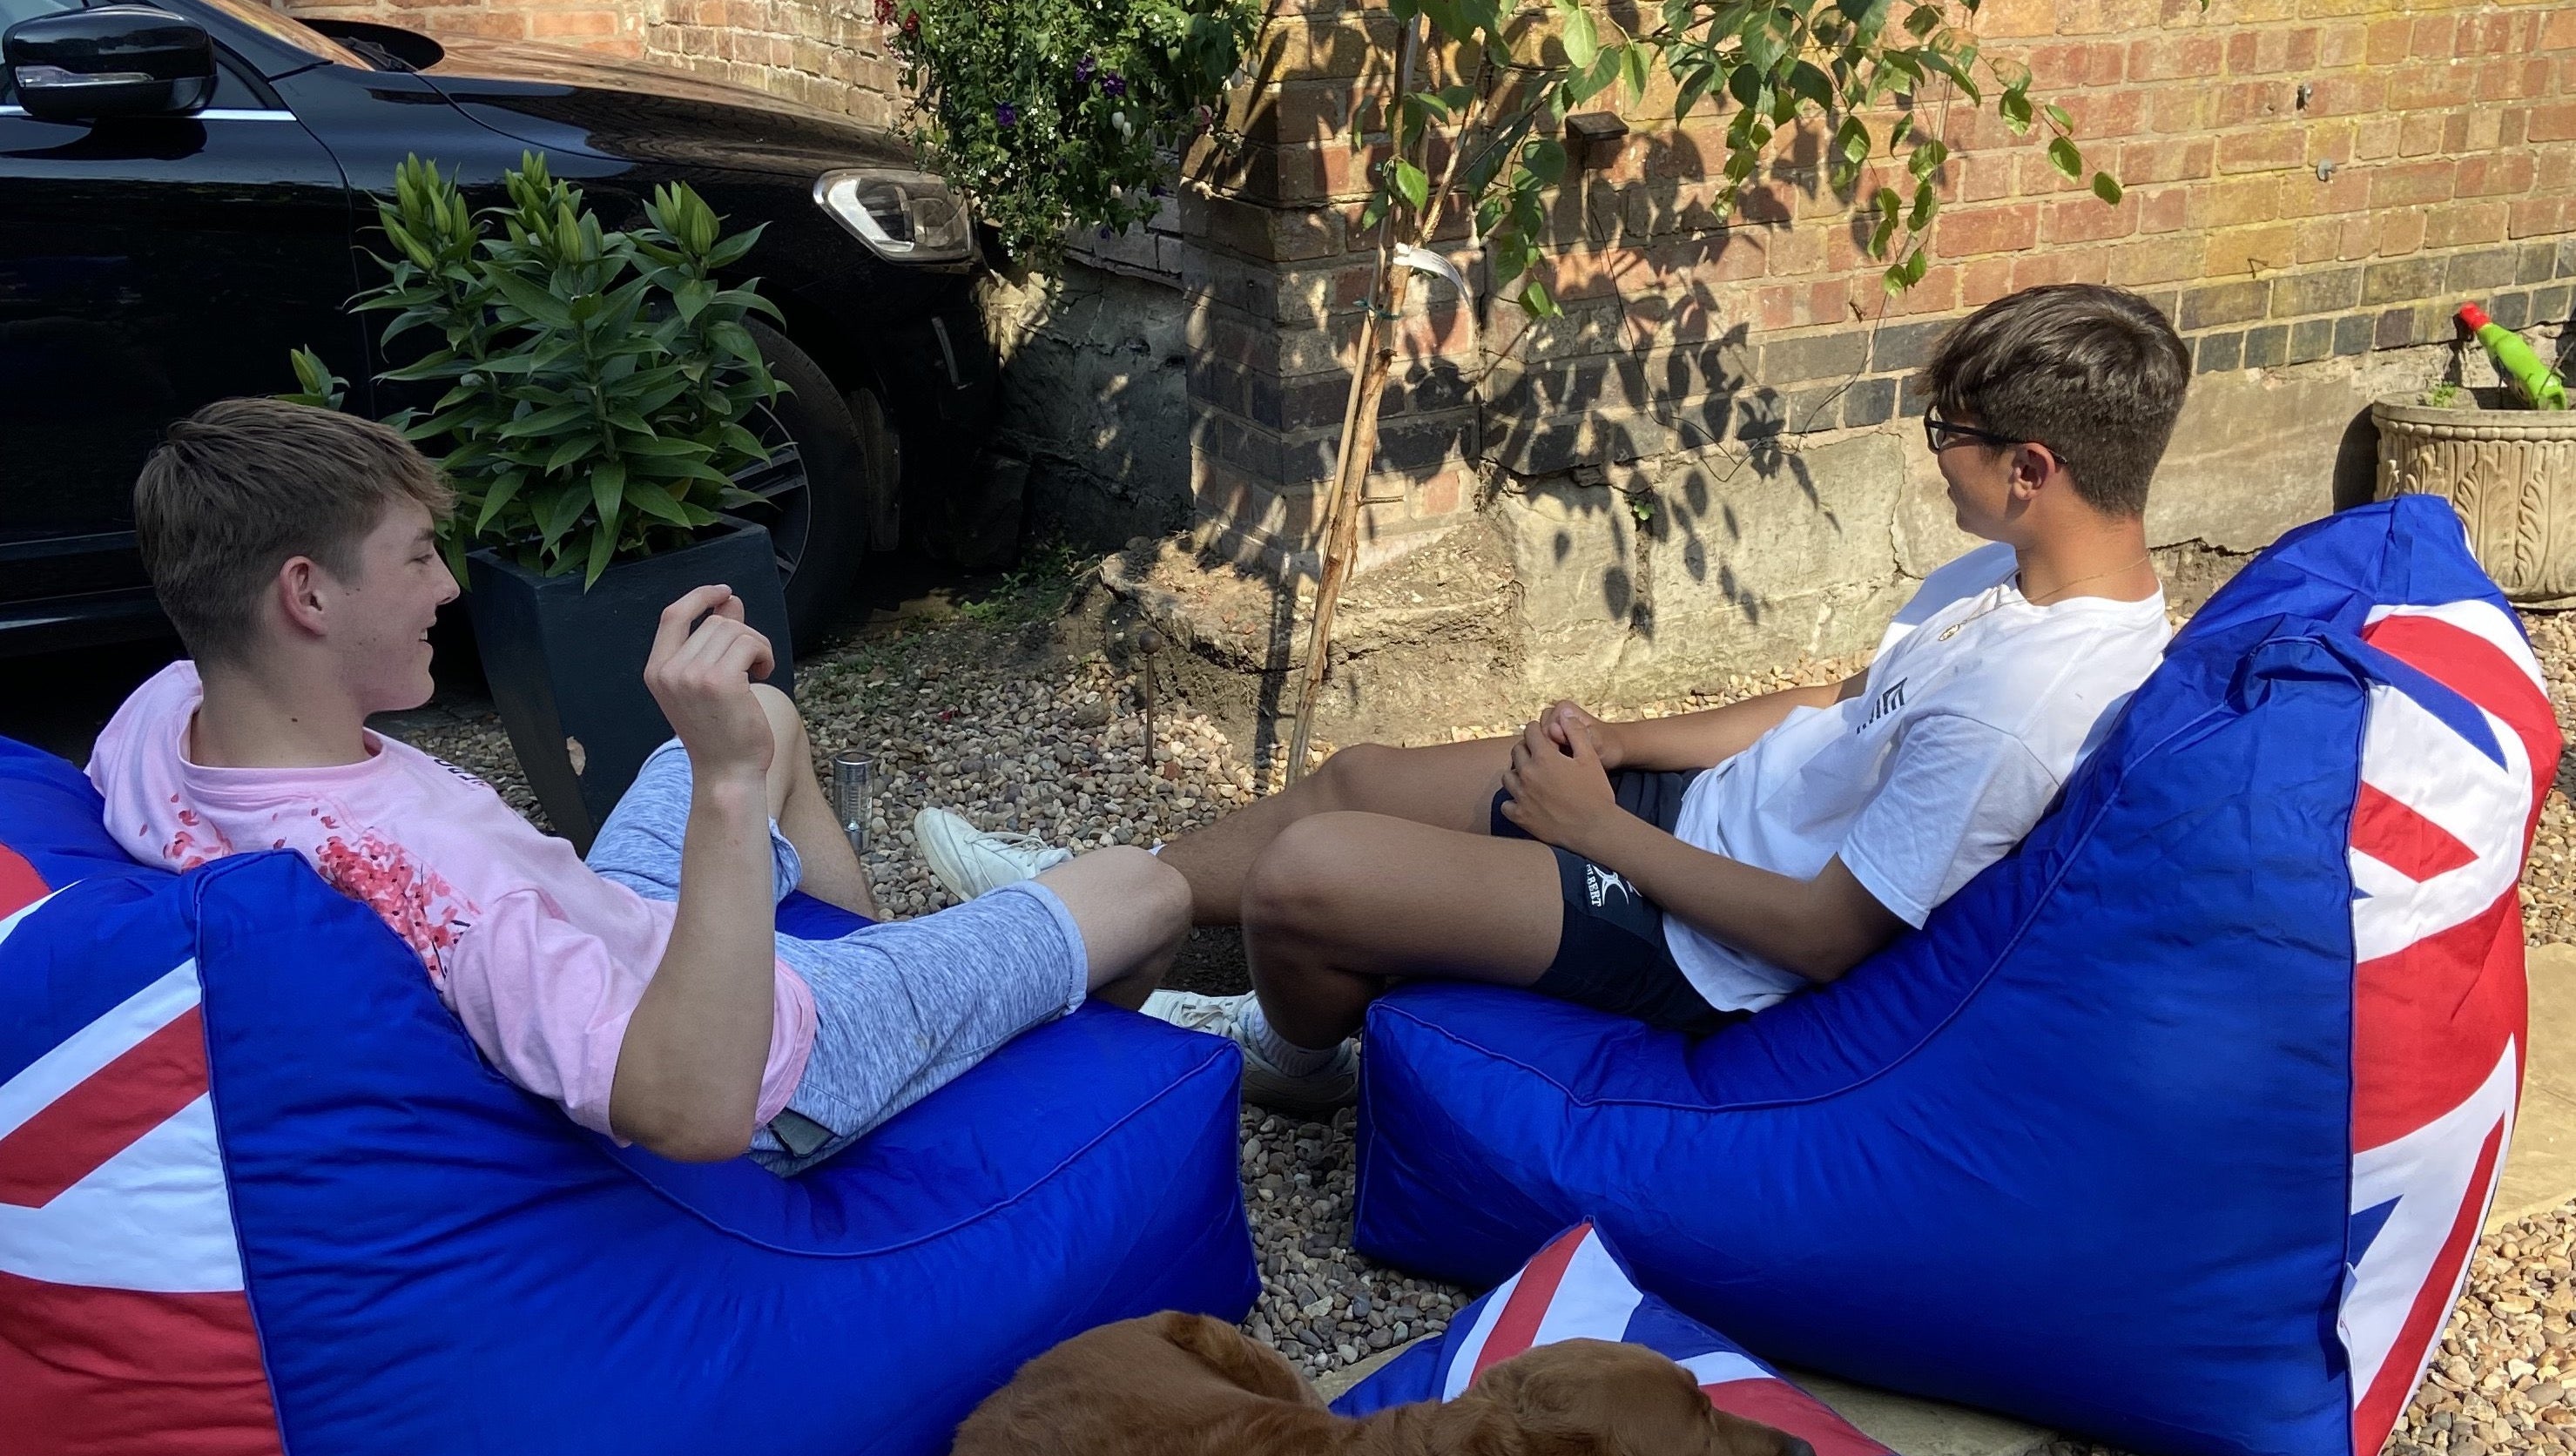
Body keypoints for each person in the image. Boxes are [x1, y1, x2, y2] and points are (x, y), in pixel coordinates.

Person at [914, 282, 2190, 1115]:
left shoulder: (2023, 704)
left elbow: (1821, 938)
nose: (1933, 460)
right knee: (1359, 776)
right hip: (1690, 817)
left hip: (1705, 939)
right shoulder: (2003, 576)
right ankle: (1093, 893)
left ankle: (1287, 1055)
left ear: (2030, 468)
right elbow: (1831, 698)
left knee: (1311, 873)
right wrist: (1624, 740)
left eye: (1945, 441)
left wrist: (1596, 829)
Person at [89, 397, 1189, 1170]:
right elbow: (693, 1109)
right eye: (419, 555)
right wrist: (717, 779)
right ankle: (935, 1042)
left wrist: (734, 755)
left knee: (767, 710)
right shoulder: (442, 892)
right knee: (1145, 889)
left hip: (620, 933)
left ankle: (901, 984)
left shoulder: (163, 724)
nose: (451, 587)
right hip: (761, 1060)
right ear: (307, 596)